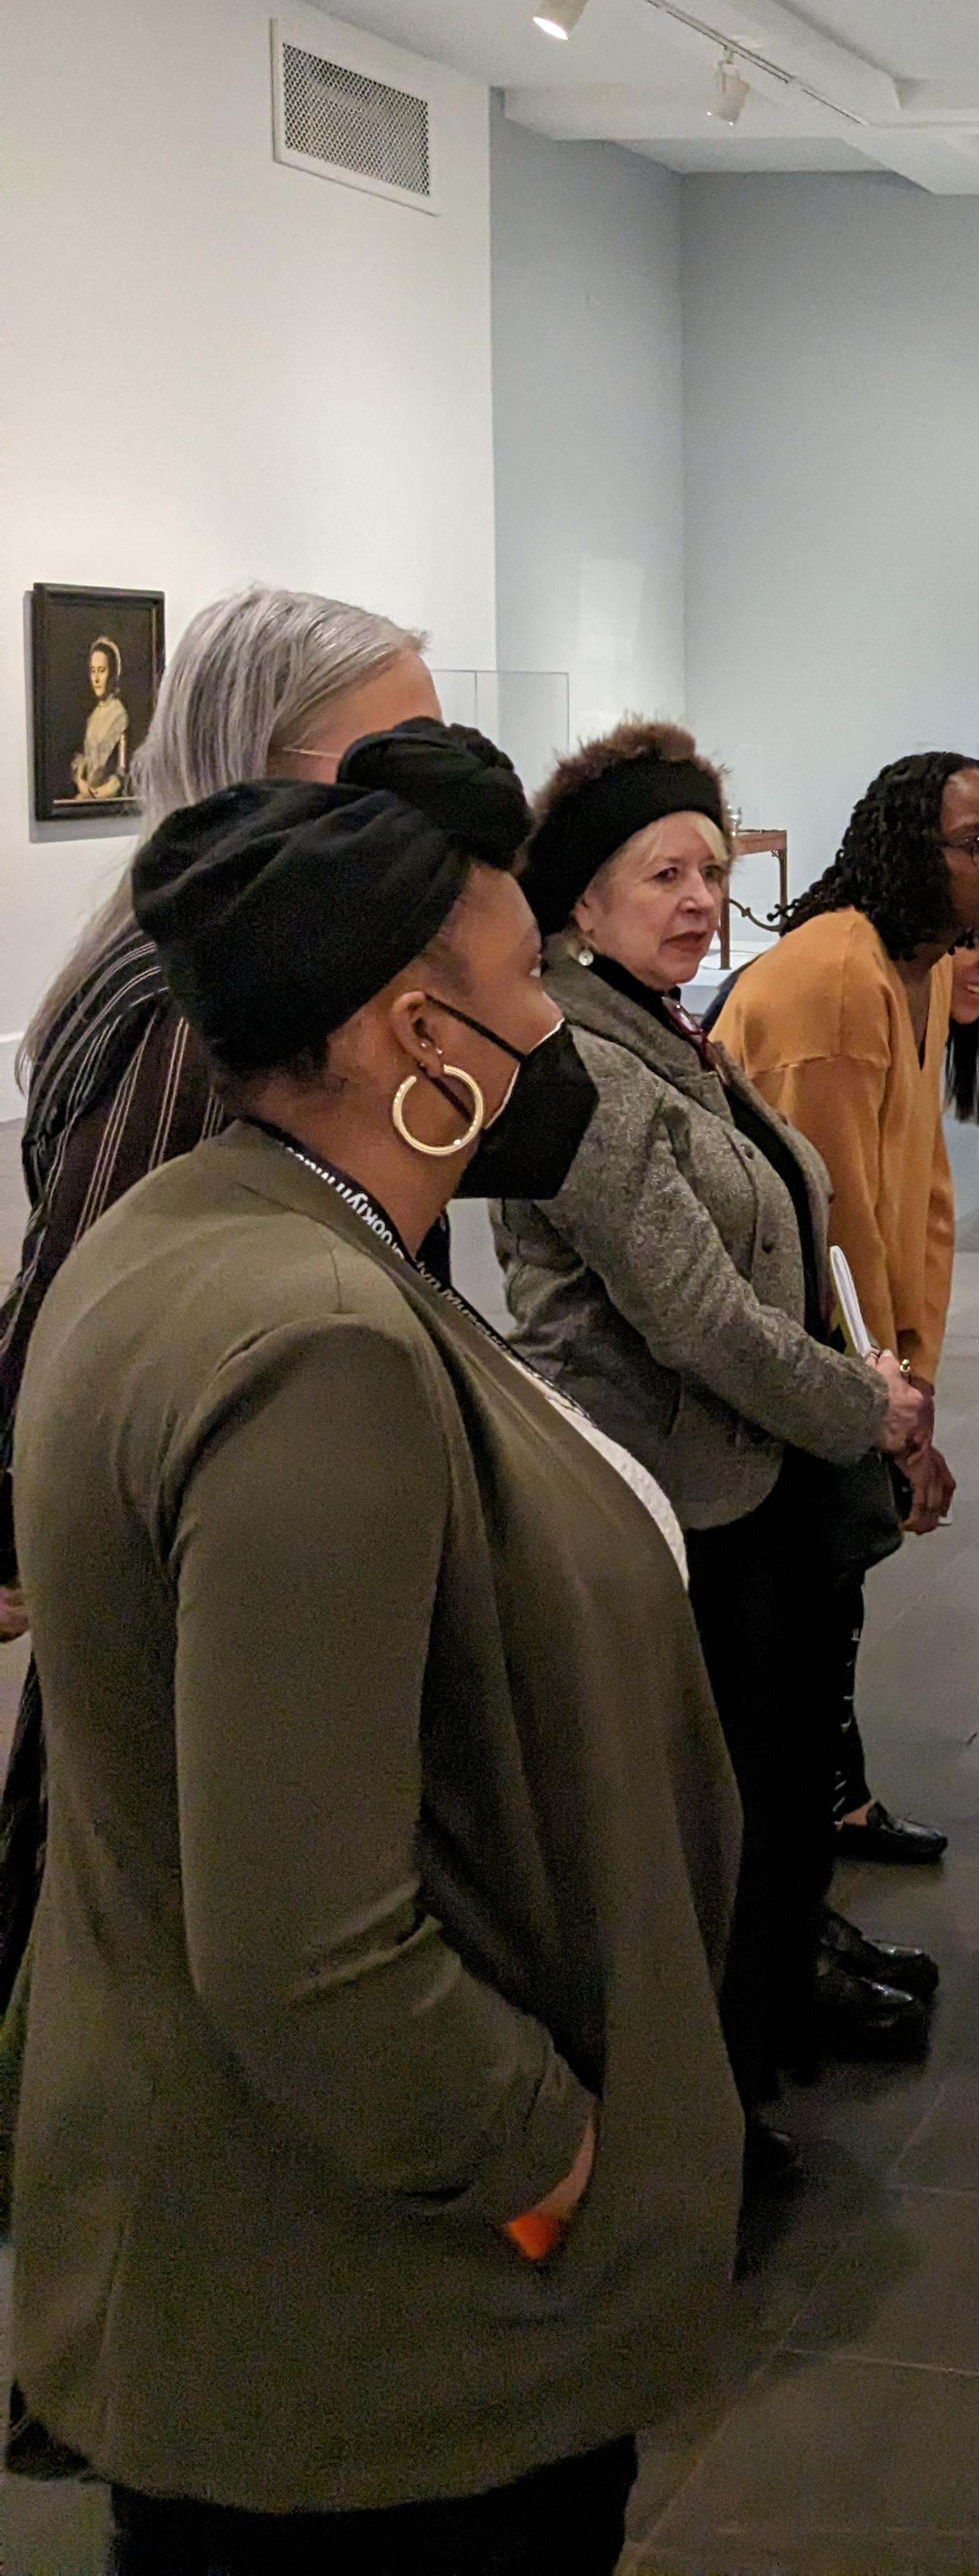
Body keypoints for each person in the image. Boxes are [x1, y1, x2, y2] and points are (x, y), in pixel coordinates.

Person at [12, 720, 739, 2571]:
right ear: (423, 1035)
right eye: (520, 989)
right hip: (368, 2341)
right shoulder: (319, 1344)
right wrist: (536, 2164)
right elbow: (311, 1948)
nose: (551, 1032)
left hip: (284, 2268)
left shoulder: (195, 1233)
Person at [0, 587, 442, 2122]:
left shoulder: (222, 963)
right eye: (391, 761)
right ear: (263, 764)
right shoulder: (191, 996)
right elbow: (107, 1284)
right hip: (185, 1556)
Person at [494, 724, 936, 2189]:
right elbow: (692, 1314)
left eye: (710, 866)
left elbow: (773, 1243)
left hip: (751, 1487)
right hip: (682, 1501)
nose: (698, 896)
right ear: (580, 899)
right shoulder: (584, 1057)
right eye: (659, 871)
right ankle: (699, 2137)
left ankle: (750, 2061)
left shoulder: (658, 1021)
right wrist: (861, 1407)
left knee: (764, 1798)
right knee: (706, 1831)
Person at [713, 751, 979, 1864]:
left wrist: (916, 1372)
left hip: (859, 1357)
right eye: (976, 844)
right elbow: (828, 1222)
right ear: (910, 851)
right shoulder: (835, 980)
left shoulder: (925, 966)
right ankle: (804, 1843)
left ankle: (832, 1810)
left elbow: (920, 1191)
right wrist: (880, 1397)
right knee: (802, 1607)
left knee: (834, 1591)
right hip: (788, 1354)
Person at [68, 639, 130, 803]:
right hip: (88, 796)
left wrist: (102, 792)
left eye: (101, 671)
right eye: (93, 671)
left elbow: (122, 771)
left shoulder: (120, 714)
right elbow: (83, 757)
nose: (96, 678)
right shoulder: (93, 716)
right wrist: (81, 781)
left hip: (108, 800)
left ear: (113, 673)